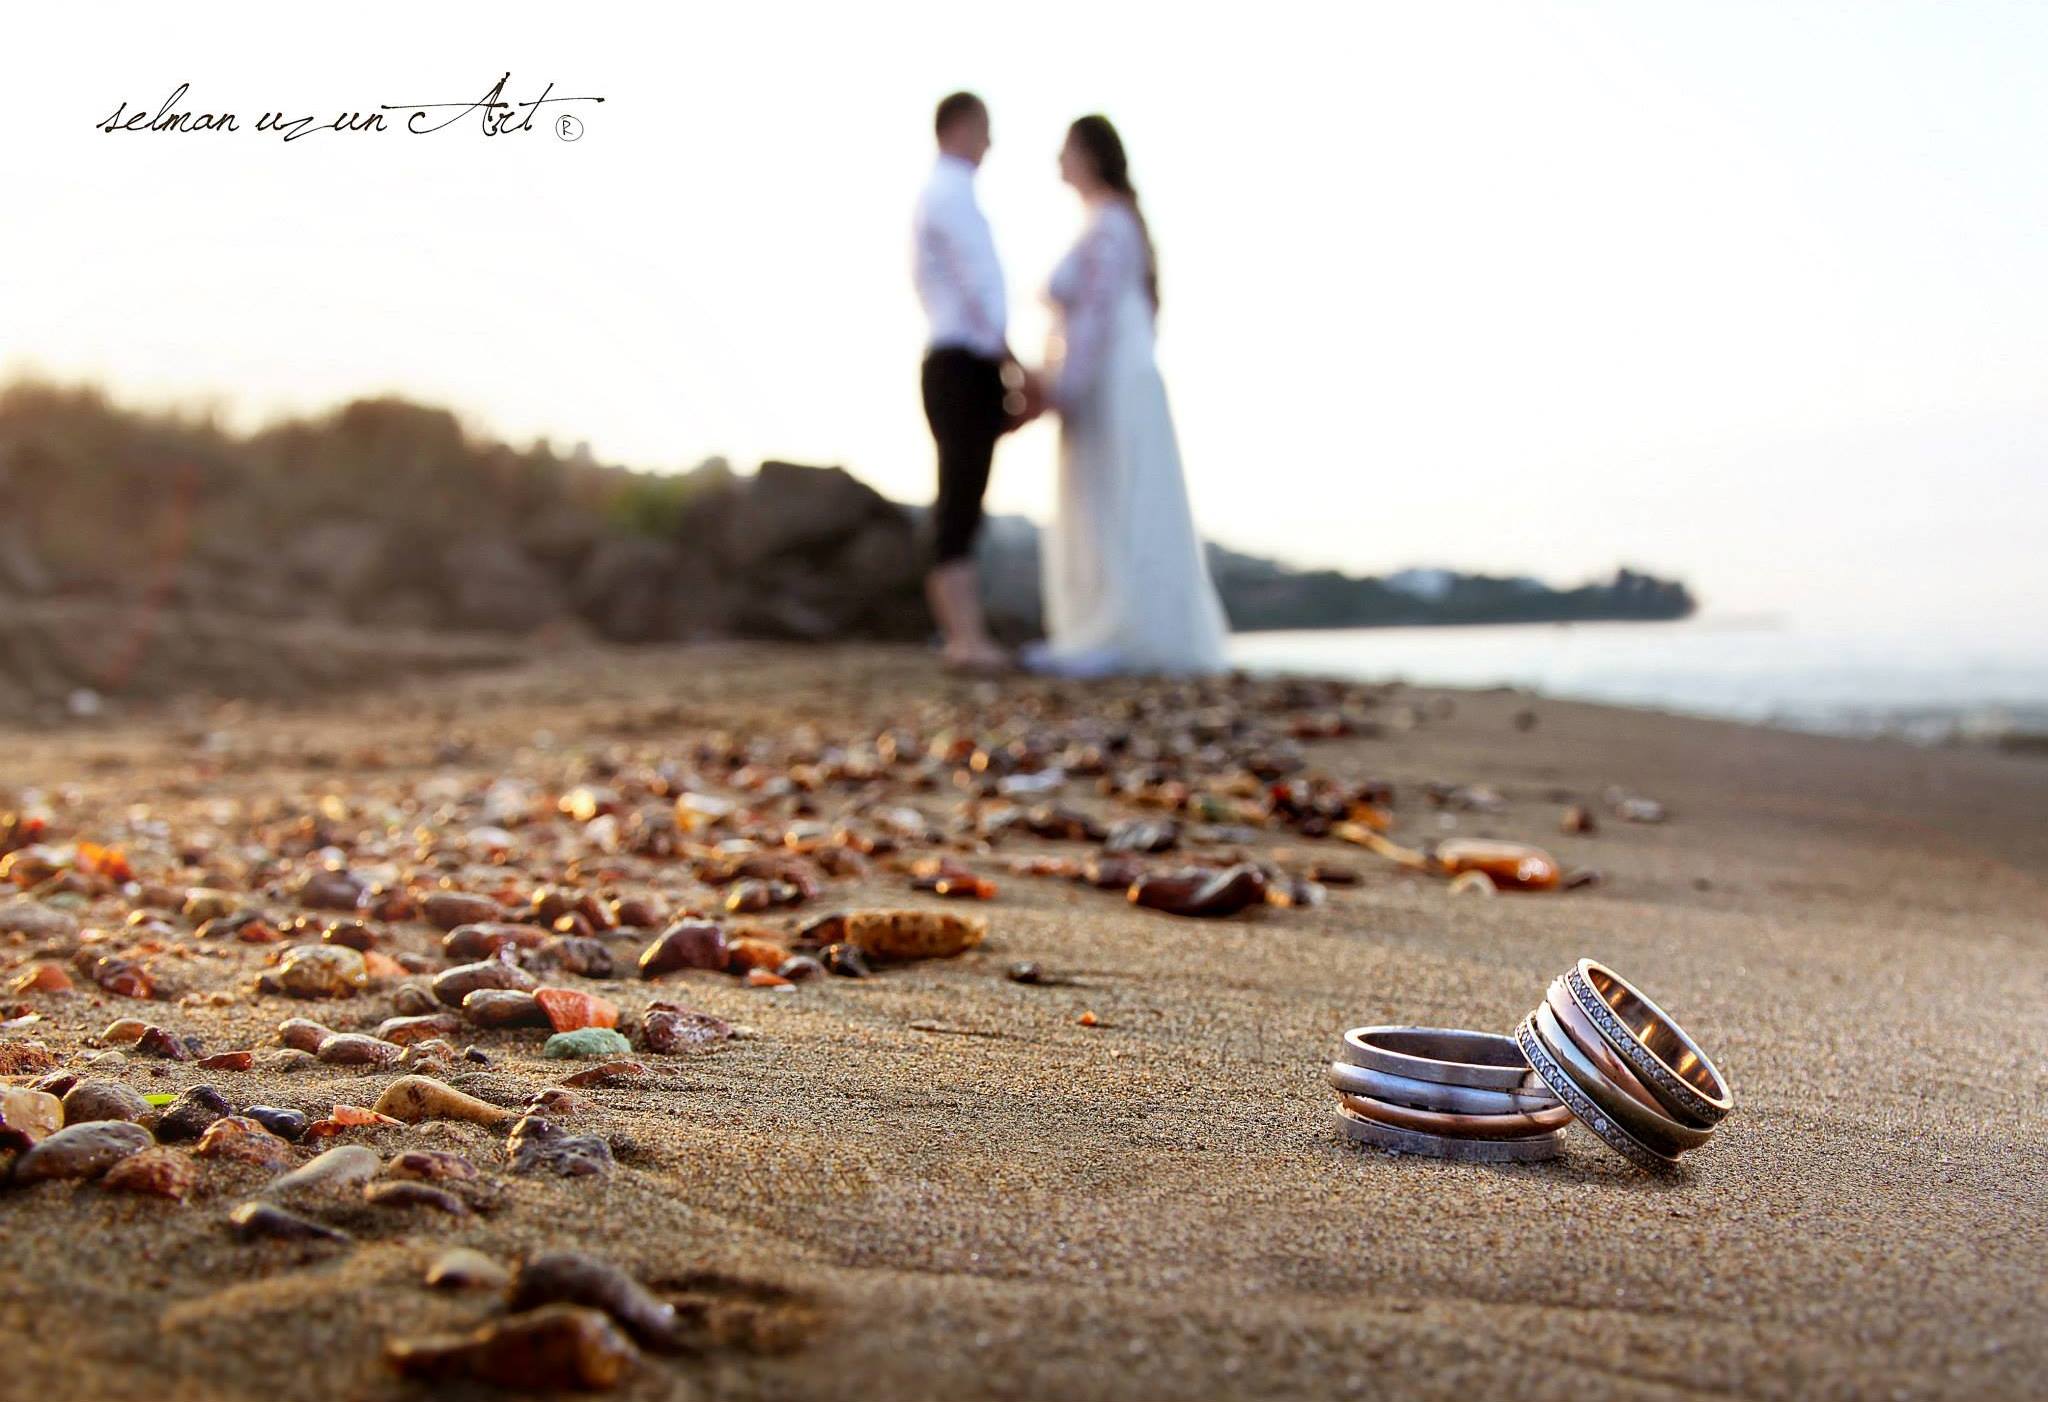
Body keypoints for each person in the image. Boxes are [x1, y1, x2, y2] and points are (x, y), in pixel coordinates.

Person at [1028, 115, 1229, 677]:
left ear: (1091, 156)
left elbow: (1095, 316)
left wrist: (1061, 388)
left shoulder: (1111, 225)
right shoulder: (1115, 224)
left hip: (1110, 382)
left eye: (1067, 150)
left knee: (1117, 495)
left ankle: (1121, 630)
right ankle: (1106, 625)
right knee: (1111, 496)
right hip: (1111, 377)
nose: (1059, 162)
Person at [912, 91, 1038, 672]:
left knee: (962, 496)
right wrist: (1013, 364)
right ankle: (964, 639)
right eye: (985, 129)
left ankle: (965, 636)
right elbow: (977, 285)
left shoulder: (942, 193)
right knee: (960, 498)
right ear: (960, 127)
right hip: (963, 362)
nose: (990, 142)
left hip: (960, 360)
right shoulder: (950, 192)